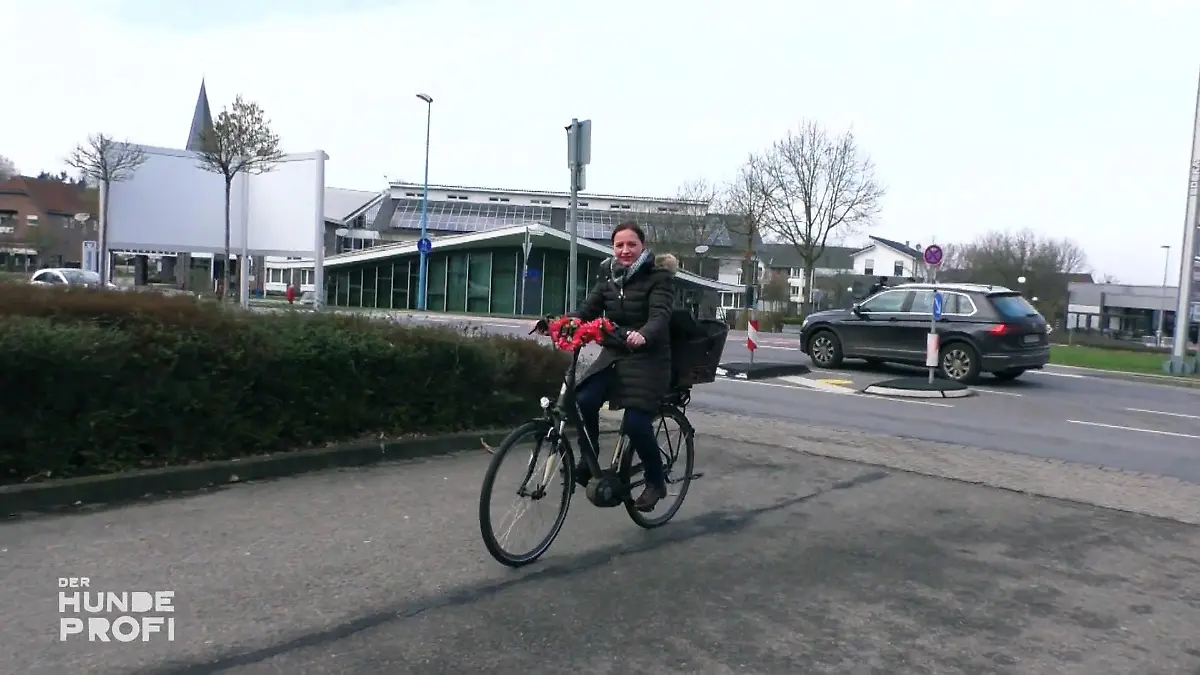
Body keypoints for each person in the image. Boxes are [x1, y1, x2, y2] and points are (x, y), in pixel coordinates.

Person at [538, 221, 678, 512]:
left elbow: (660, 316)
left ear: (642, 245)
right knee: (582, 400)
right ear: (613, 248)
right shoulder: (609, 277)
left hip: (648, 357)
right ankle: (590, 458)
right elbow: (587, 309)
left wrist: (644, 334)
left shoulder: (658, 278)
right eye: (619, 245)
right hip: (614, 353)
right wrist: (559, 323)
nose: (625, 250)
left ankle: (655, 482)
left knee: (636, 423)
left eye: (631, 245)